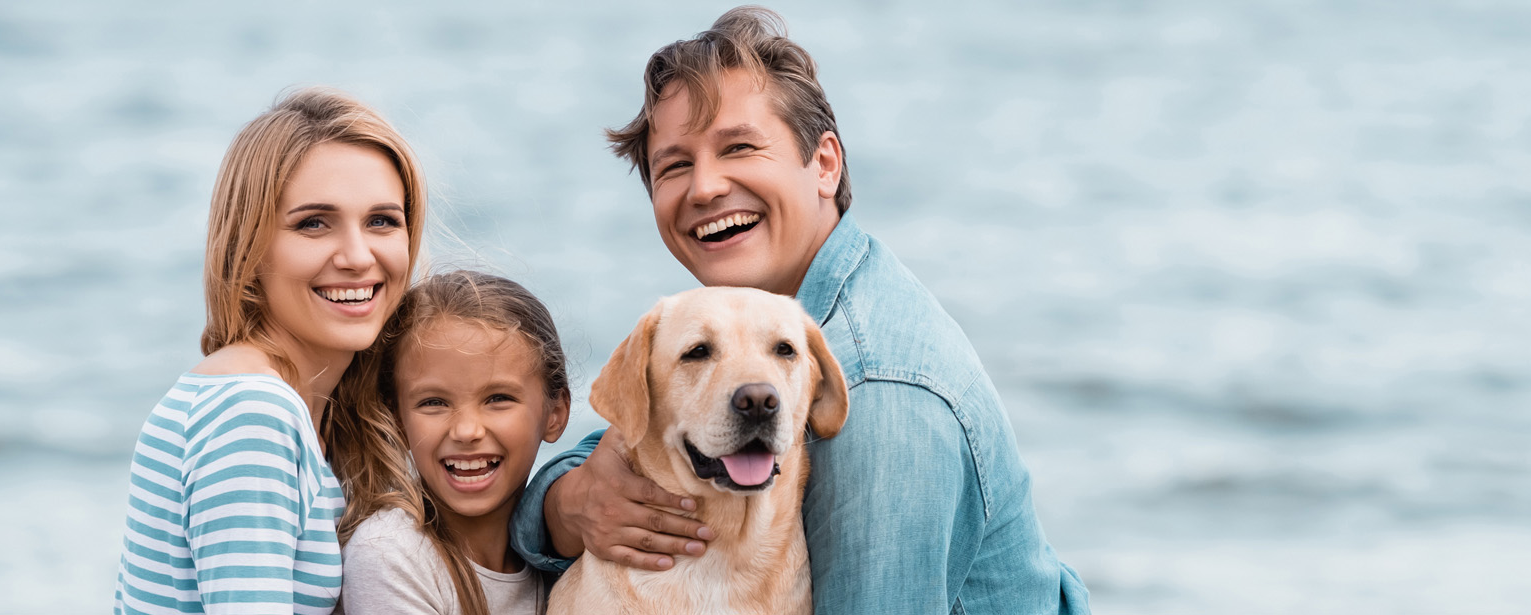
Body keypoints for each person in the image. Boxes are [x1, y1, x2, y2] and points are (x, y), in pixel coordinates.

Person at [508, 6, 1091, 614]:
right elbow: (638, 432)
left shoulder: (883, 402)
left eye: (739, 147)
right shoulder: (765, 325)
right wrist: (565, 498)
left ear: (825, 164)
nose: (705, 187)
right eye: (675, 165)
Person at [116, 87, 427, 615]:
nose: (357, 256)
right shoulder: (253, 415)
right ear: (249, 247)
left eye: (382, 221)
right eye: (313, 223)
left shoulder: (313, 408)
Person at [341, 271, 570, 615]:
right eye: (433, 402)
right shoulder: (390, 553)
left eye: (498, 398)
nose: (466, 431)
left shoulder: (567, 554)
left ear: (555, 413)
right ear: (398, 420)